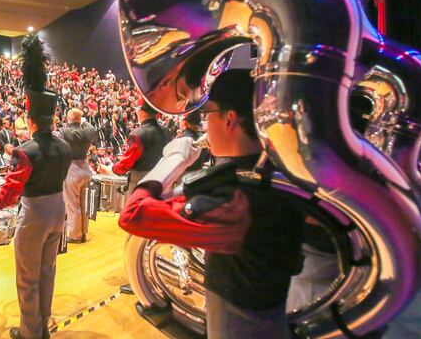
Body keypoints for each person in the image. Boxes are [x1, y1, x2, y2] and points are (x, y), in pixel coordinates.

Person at [118, 69, 305, 339]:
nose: (205, 126)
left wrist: (172, 161)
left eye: (208, 115)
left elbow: (133, 214)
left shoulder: (241, 201)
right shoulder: (270, 178)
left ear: (229, 119)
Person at [0, 35, 71, 339]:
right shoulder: (65, 146)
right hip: (59, 212)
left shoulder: (25, 151)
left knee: (27, 279)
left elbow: (8, 195)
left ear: (30, 120)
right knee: (47, 273)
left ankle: (30, 333)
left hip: (35, 217)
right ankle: (43, 327)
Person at [99, 99, 171, 192]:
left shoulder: (138, 134)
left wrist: (110, 169)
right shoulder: (167, 132)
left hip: (142, 183)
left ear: (142, 113)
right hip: (163, 180)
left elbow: (128, 161)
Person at [59, 108, 96, 243]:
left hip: (71, 168)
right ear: (80, 118)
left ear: (69, 118)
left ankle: (75, 235)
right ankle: (83, 232)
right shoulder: (88, 131)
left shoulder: (63, 131)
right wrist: (83, 121)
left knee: (72, 203)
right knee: (84, 203)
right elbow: (92, 128)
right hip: (85, 167)